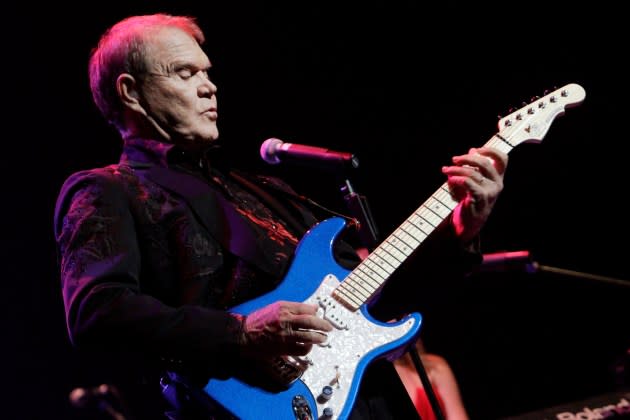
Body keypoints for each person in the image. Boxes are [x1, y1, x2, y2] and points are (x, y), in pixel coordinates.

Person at [53, 13, 508, 420]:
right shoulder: (108, 189)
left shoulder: (263, 188)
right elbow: (97, 313)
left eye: (207, 73)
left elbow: (375, 301)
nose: (209, 86)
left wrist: (463, 229)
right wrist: (241, 331)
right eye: (184, 73)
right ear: (131, 92)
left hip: (368, 402)